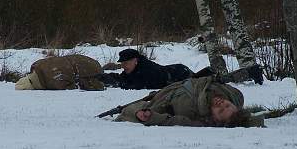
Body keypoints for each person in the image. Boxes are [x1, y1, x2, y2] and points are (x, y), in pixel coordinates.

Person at [114, 76, 264, 127]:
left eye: (220, 111)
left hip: (167, 94)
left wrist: (150, 116)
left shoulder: (196, 115)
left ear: (214, 119)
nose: (221, 104)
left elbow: (176, 121)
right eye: (227, 105)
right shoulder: (235, 96)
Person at [99, 48, 264, 90]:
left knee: (216, 82)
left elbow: (135, 85)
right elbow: (126, 78)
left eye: (126, 63)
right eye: (122, 64)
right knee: (207, 79)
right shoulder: (136, 68)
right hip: (177, 72)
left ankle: (251, 72)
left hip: (179, 75)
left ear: (135, 61)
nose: (124, 66)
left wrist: (115, 82)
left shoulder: (145, 69)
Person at [15, 54, 105, 91]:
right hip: (81, 60)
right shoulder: (37, 65)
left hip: (89, 68)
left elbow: (75, 85)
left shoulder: (54, 83)